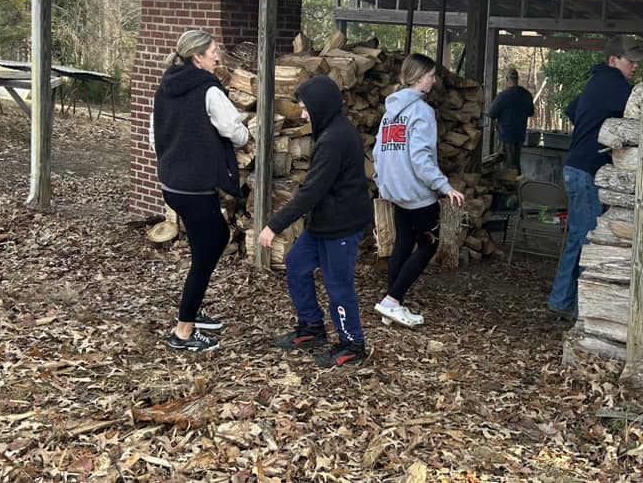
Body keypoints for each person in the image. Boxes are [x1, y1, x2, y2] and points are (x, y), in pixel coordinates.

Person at [260, 75, 374, 368]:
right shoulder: (329, 132)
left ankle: (352, 344)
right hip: (324, 223)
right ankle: (312, 327)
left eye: (305, 108)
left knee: (338, 286)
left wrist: (274, 225)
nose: (302, 114)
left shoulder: (335, 138)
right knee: (297, 263)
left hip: (341, 226)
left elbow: (312, 191)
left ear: (320, 105)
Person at [152, 29, 250, 352]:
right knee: (211, 246)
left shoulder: (165, 89)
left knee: (208, 241)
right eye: (213, 52)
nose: (217, 56)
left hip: (172, 184)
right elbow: (232, 129)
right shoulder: (209, 90)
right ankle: (183, 331)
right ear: (197, 57)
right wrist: (246, 137)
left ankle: (192, 311)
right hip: (195, 187)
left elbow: (154, 137)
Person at [548, 34, 643, 319]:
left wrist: (592, 129)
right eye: (630, 61)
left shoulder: (597, 82)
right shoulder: (615, 85)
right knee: (589, 241)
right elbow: (642, 114)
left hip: (576, 167)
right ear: (613, 59)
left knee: (579, 237)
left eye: (637, 62)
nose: (635, 66)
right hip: (588, 171)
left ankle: (562, 300)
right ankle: (583, 311)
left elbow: (571, 109)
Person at [372, 54, 466, 328]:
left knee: (403, 243)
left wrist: (383, 182)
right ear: (417, 77)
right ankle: (392, 301)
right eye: (431, 75)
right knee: (428, 245)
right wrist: (445, 187)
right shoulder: (422, 111)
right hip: (417, 192)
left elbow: (378, 152)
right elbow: (420, 157)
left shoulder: (390, 113)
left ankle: (391, 305)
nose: (434, 81)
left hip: (395, 191)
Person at [487, 67, 535, 171]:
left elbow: (491, 114)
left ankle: (508, 181)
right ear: (517, 79)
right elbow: (531, 113)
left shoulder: (503, 96)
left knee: (506, 166)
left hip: (505, 136)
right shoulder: (526, 95)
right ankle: (517, 180)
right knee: (516, 163)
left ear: (507, 79)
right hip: (520, 136)